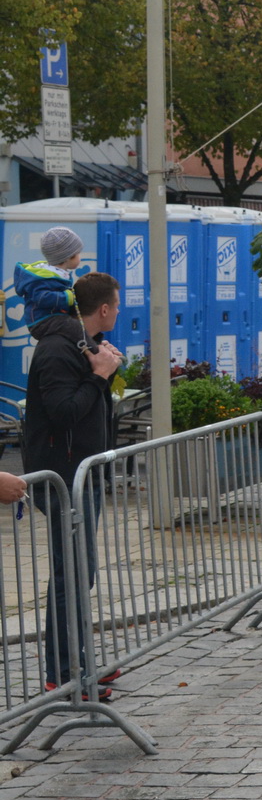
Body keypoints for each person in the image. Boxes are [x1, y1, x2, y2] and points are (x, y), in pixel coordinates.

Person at [23, 272, 123, 698]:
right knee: (71, 574)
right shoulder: (56, 349)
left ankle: (79, 662)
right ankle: (63, 674)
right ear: (103, 309)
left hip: (82, 473)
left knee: (83, 572)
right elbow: (64, 412)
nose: (119, 311)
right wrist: (100, 377)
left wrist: (106, 367)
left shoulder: (82, 344)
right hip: (62, 477)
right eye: (116, 305)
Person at [15, 226, 84, 327]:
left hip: (51, 317)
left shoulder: (58, 274)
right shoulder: (43, 278)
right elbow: (41, 298)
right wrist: (66, 297)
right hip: (41, 321)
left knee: (75, 326)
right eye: (78, 253)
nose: (80, 257)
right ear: (68, 257)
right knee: (74, 329)